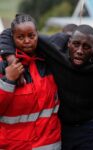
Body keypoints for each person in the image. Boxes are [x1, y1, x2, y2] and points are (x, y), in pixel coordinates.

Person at [0, 21, 93, 150]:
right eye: (76, 44)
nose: (79, 51)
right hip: (59, 128)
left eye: (86, 47)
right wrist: (12, 59)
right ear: (68, 43)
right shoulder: (54, 48)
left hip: (90, 129)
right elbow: (8, 32)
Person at [0, 14, 61, 150]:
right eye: (20, 37)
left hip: (49, 144)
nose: (27, 41)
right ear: (12, 38)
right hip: (12, 146)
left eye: (31, 36)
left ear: (37, 35)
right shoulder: (3, 66)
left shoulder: (48, 60)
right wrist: (8, 81)